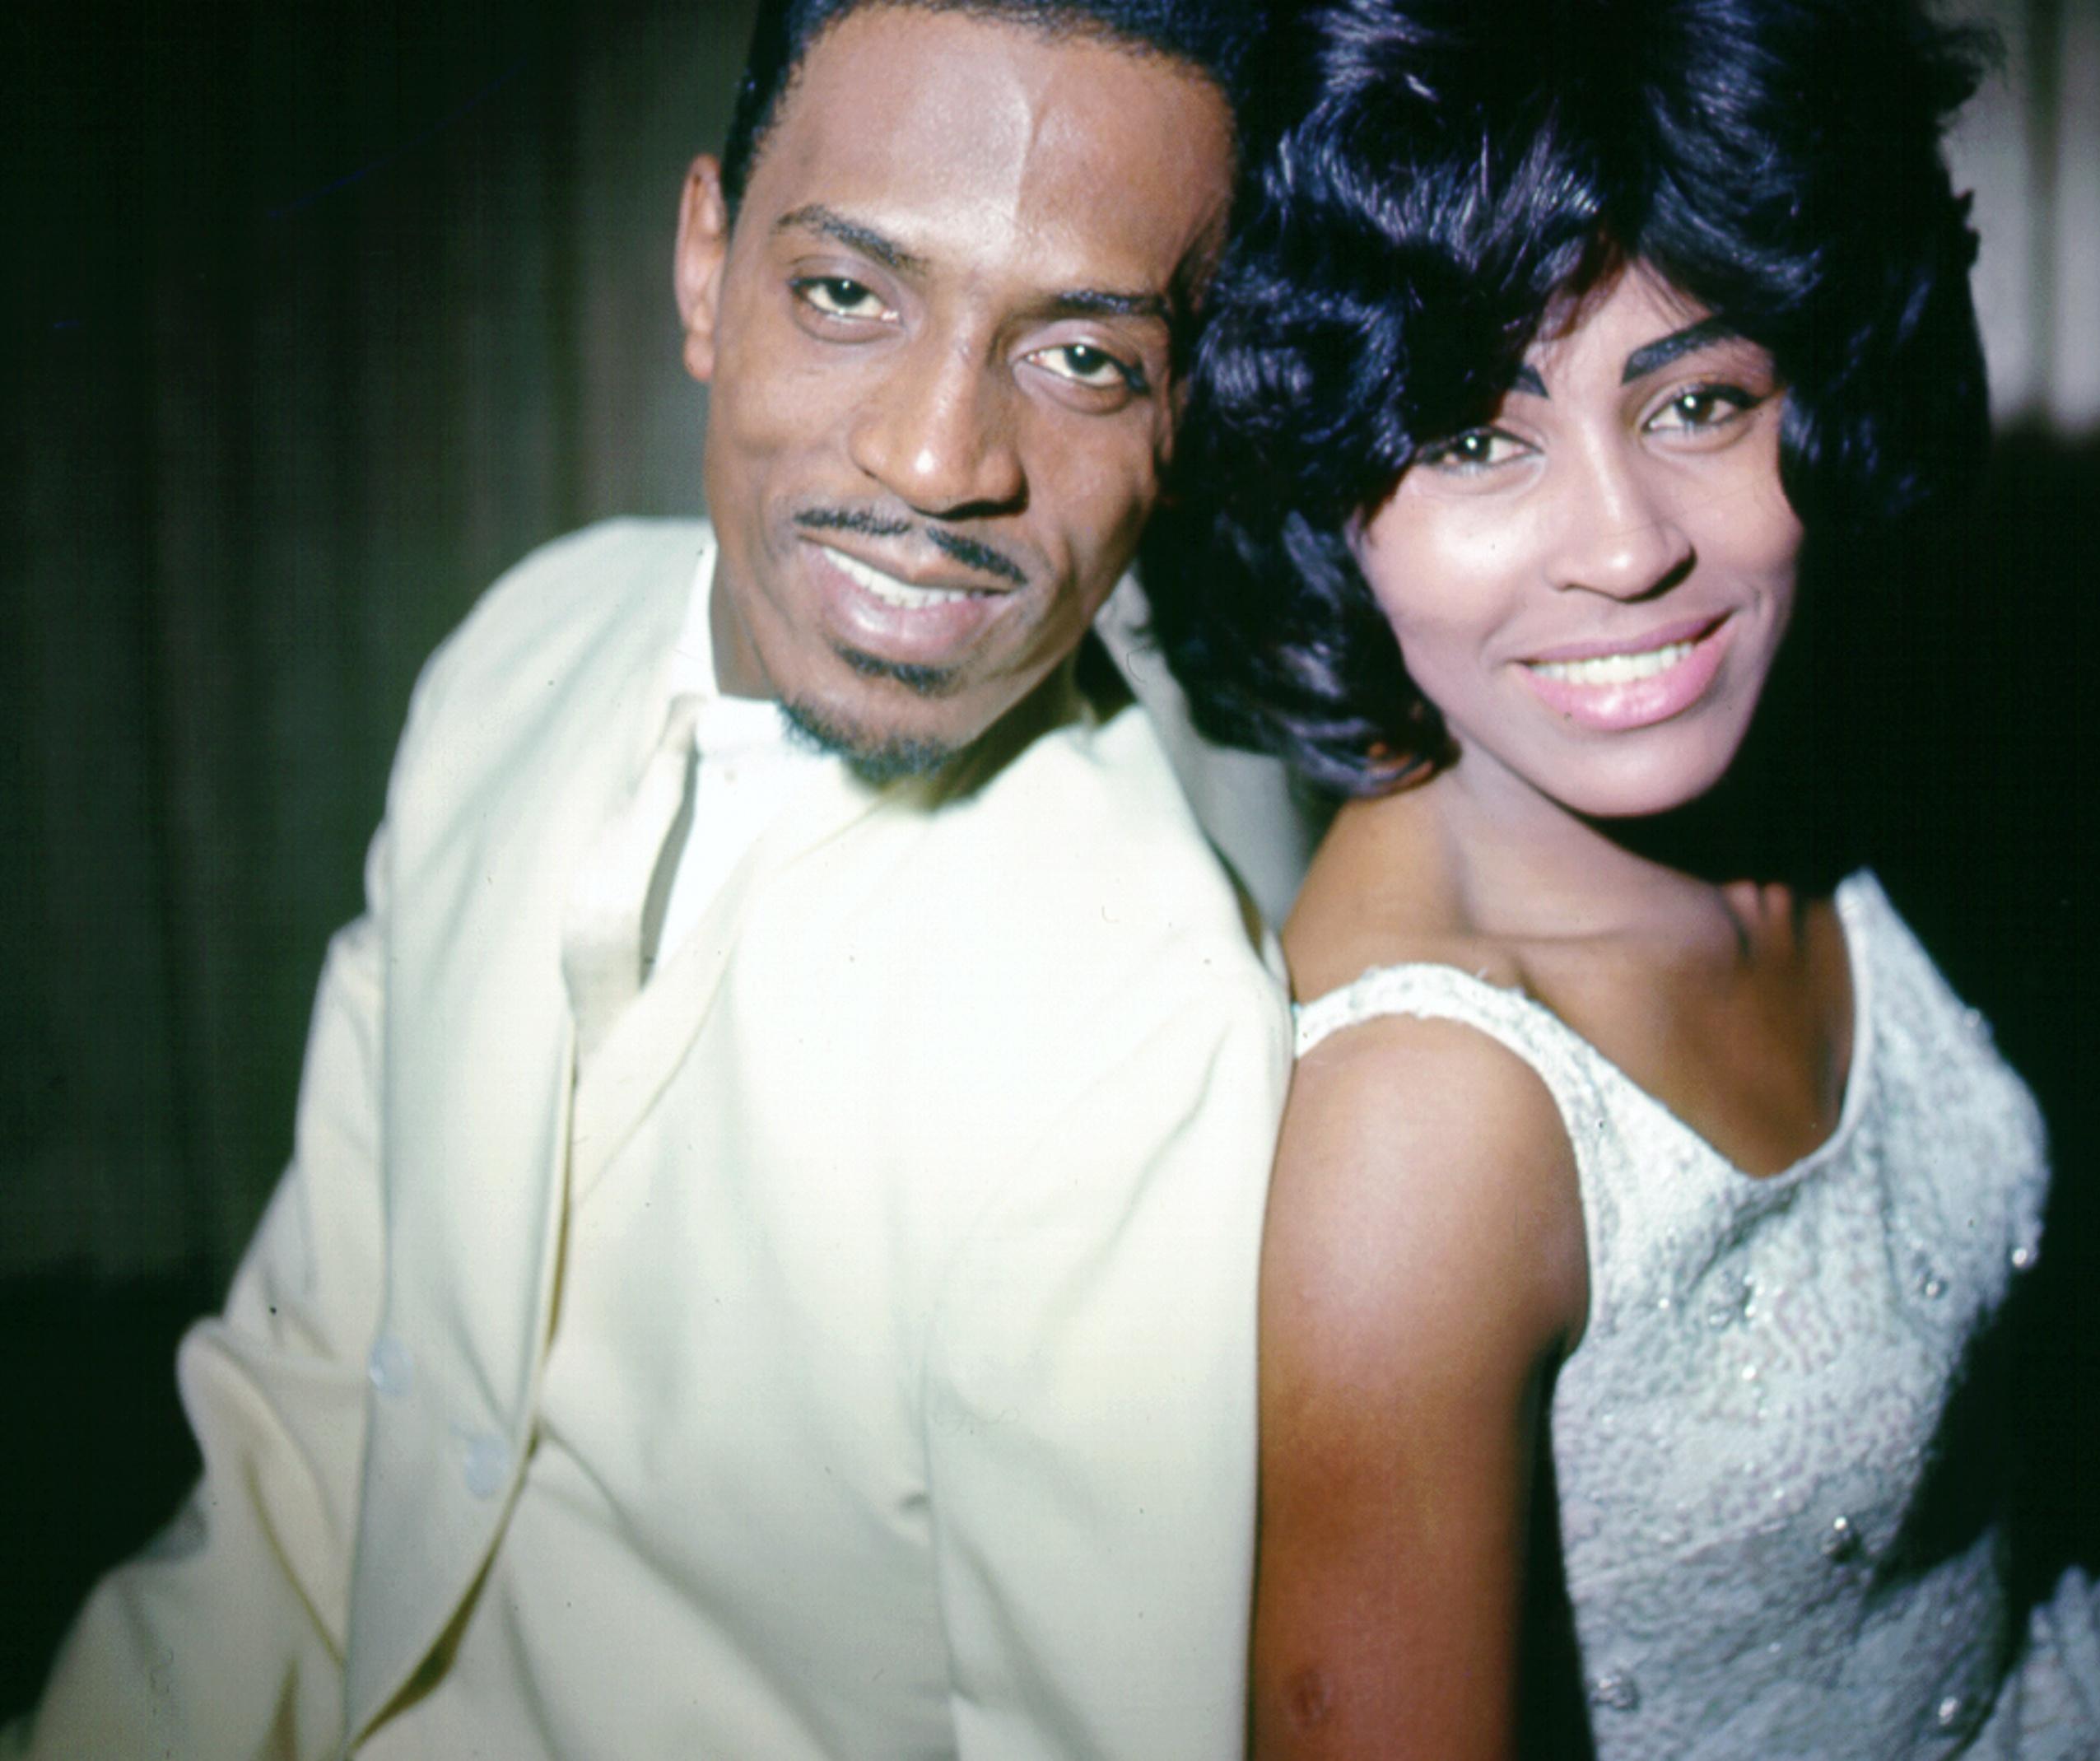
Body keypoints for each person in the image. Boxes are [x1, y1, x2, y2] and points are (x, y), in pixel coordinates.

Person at [1141, 0, 2100, 1754]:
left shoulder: (1779, 754)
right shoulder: (1421, 1128)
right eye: (1473, 434)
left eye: (1694, 400)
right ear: (1315, 489)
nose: (1629, 550)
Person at [7, 2, 1290, 1756]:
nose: (936, 460)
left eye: (1082, 358)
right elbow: (303, 1429)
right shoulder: (526, 645)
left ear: (1182, 418)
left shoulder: (1159, 1036)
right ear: (706, 266)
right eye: (848, 292)